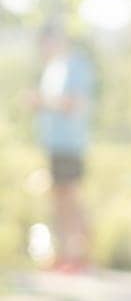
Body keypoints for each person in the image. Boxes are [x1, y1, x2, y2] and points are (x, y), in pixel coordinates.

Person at [30, 20, 95, 273]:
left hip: (70, 143)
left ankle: (79, 256)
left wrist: (43, 101)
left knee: (71, 198)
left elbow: (75, 104)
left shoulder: (75, 65)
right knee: (59, 199)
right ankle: (65, 254)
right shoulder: (53, 68)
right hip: (54, 144)